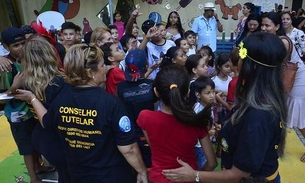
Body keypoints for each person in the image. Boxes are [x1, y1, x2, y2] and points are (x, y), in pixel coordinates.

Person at [162, 32, 288, 183]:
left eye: (240, 56)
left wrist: (194, 175)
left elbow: (238, 175)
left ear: (250, 66)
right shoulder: (258, 97)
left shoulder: (258, 115)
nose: (235, 62)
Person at [13, 44, 148, 183]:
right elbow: (129, 148)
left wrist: (33, 99)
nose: (105, 68)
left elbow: (47, 121)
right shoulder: (111, 103)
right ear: (90, 72)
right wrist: (141, 170)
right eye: (102, 65)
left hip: (77, 174)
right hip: (110, 174)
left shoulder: (62, 98)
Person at [137, 64, 217, 183]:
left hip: (158, 179)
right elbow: (212, 163)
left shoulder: (145, 117)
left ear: (156, 92)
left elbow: (154, 146)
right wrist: (196, 177)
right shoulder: (196, 122)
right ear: (187, 92)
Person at [16, 36, 70, 183]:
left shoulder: (24, 81)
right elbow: (51, 121)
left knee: (63, 174)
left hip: (41, 138)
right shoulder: (59, 82)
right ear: (49, 54)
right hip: (58, 139)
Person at [0, 27, 43, 183]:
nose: (21, 48)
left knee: (36, 140)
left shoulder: (27, 58)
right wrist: (14, 86)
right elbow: (2, 96)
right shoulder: (6, 67)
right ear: (6, 47)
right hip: (18, 115)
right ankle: (33, 177)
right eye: (16, 46)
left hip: (33, 110)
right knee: (27, 148)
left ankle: (39, 167)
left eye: (23, 43)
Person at [261, 12, 305, 163]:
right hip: (285, 80)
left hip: (297, 80)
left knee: (300, 120)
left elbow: (273, 65)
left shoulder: (282, 42)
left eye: (268, 25)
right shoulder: (272, 40)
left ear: (277, 26)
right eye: (263, 25)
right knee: (283, 114)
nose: (264, 28)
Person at [117, 49, 156, 169]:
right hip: (149, 134)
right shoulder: (152, 86)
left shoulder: (120, 87)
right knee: (151, 168)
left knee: (134, 168)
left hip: (130, 135)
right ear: (146, 66)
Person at [192, 76, 219, 170]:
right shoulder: (199, 110)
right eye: (208, 93)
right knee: (204, 169)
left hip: (206, 143)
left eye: (213, 92)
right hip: (200, 146)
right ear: (198, 95)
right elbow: (195, 132)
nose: (212, 95)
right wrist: (208, 133)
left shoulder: (207, 106)